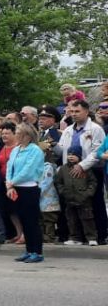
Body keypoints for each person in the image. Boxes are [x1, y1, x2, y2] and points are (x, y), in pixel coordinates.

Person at [60, 100, 107, 246]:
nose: (74, 114)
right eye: (72, 112)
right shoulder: (68, 130)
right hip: (71, 170)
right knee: (75, 203)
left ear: (86, 112)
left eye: (77, 111)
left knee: (94, 202)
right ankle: (77, 236)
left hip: (91, 169)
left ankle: (100, 235)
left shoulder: (95, 129)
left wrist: (82, 165)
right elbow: (62, 149)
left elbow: (96, 151)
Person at [6, 123, 46, 263]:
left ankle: (37, 252)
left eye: (18, 132)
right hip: (16, 188)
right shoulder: (16, 149)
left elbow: (28, 170)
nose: (16, 134)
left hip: (29, 188)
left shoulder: (35, 150)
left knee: (31, 221)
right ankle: (29, 250)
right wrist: (8, 183)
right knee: (23, 220)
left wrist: (13, 181)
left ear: (27, 135)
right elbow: (9, 167)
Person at [54, 151, 98, 246]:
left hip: (84, 198)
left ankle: (91, 237)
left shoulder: (85, 168)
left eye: (74, 155)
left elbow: (93, 182)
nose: (71, 157)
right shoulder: (63, 169)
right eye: (69, 154)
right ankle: (75, 238)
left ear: (79, 156)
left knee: (87, 219)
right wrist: (63, 192)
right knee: (71, 220)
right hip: (69, 198)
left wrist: (88, 193)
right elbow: (58, 182)